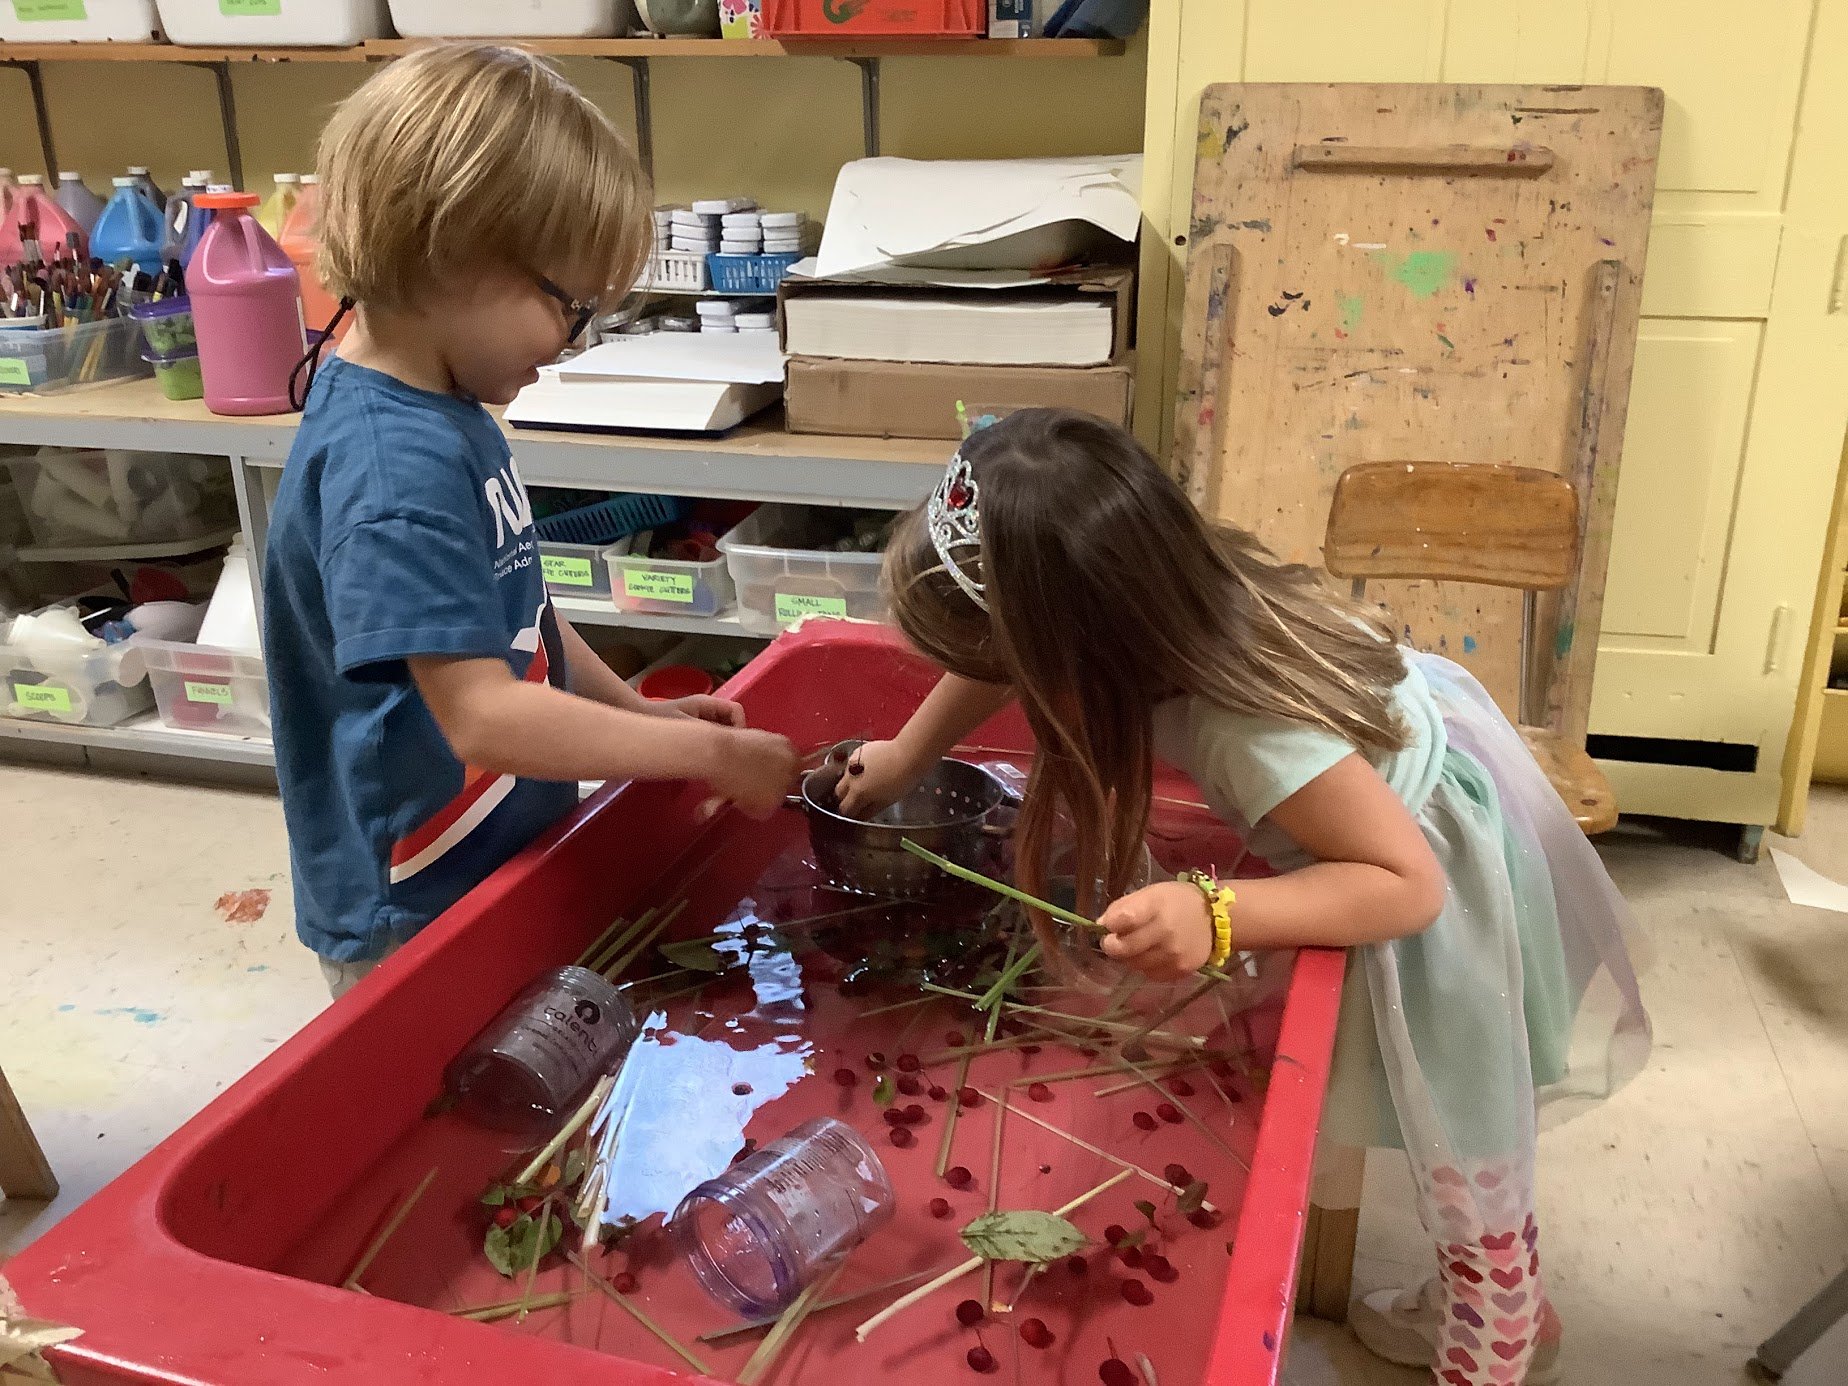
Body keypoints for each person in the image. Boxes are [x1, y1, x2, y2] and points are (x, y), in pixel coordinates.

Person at [835, 408, 1650, 1386]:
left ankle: (1501, 1332)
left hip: (1424, 867)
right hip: (1371, 794)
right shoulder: (1150, 591)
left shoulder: (1243, 728)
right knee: (1453, 1143)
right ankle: (1500, 1298)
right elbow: (1001, 653)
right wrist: (906, 754)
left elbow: (1407, 887)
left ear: (1076, 653)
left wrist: (1215, 911)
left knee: (1468, 1156)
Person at [263, 45, 798, 1000]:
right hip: (413, 907)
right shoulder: (394, 468)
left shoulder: (449, 411)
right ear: (452, 247)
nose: (573, 341)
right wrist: (712, 753)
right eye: (569, 305)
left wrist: (636, 713)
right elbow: (485, 715)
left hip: (491, 859)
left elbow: (524, 619)